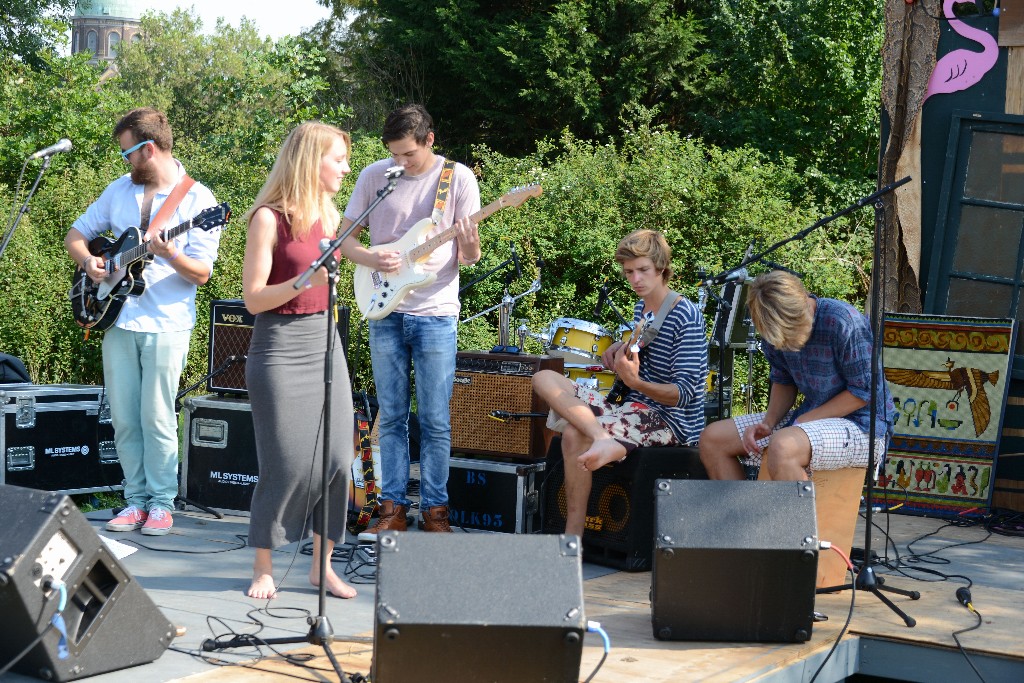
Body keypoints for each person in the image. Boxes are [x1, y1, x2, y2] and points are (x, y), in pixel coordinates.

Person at [65, 107, 223, 536]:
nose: (124, 162)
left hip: (167, 322)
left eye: (128, 153)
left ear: (148, 149)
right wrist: (92, 263)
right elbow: (75, 236)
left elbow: (203, 273)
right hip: (117, 318)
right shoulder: (118, 191)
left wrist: (170, 252)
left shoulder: (199, 201)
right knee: (124, 417)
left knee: (156, 415)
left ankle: (161, 502)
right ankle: (133, 500)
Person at [340, 104, 481, 536]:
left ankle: (437, 512)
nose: (399, 163)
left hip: (436, 314)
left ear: (429, 140)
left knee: (436, 419)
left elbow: (469, 258)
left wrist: (471, 246)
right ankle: (392, 511)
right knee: (393, 416)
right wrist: (370, 257)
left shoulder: (457, 179)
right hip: (384, 309)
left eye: (408, 156)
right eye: (393, 154)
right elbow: (344, 239)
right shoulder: (373, 176)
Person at [242, 122, 356, 600]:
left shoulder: (329, 218)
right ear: (312, 162)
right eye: (338, 160)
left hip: (325, 343)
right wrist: (301, 284)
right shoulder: (268, 218)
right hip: (279, 347)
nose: (345, 170)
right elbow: (252, 299)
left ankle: (322, 565)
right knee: (287, 463)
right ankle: (263, 567)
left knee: (336, 459)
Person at [532, 229, 707, 537]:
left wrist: (635, 381)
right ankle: (601, 437)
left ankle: (572, 537)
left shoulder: (686, 315)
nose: (635, 279)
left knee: (573, 434)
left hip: (669, 420)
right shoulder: (644, 309)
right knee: (543, 377)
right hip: (633, 407)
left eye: (643, 271)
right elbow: (643, 355)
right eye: (629, 272)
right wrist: (622, 348)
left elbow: (686, 395)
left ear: (662, 268)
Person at [698, 270, 893, 481]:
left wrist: (805, 420)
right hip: (809, 418)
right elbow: (783, 379)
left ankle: (797, 515)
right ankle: (742, 515)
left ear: (804, 305)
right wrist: (769, 423)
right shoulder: (772, 327)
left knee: (783, 446)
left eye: (791, 332)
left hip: (864, 425)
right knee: (713, 439)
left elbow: (863, 391)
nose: (787, 343)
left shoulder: (844, 321)